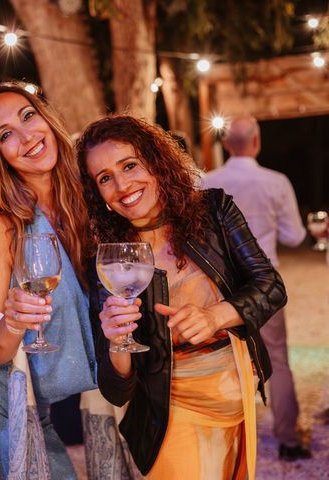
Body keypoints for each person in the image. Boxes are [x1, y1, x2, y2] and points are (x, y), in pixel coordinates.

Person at [77, 115, 287, 479]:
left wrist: (214, 316)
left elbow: (271, 286)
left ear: (156, 162)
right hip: (172, 412)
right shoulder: (108, 259)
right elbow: (116, 389)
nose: (122, 184)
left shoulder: (215, 211)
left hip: (237, 396)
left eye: (129, 165)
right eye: (105, 178)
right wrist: (115, 342)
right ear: (98, 194)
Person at [0, 82, 134, 479]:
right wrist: (12, 321)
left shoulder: (89, 200)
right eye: (6, 134)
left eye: (28, 116)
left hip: (78, 398)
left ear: (46, 117)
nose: (26, 137)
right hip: (9, 409)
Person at [201, 115, 311, 461]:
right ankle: (288, 440)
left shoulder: (207, 181)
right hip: (264, 286)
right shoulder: (276, 182)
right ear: (257, 140)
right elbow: (294, 236)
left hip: (221, 289)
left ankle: (232, 443)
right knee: (277, 359)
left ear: (224, 143)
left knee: (228, 362)